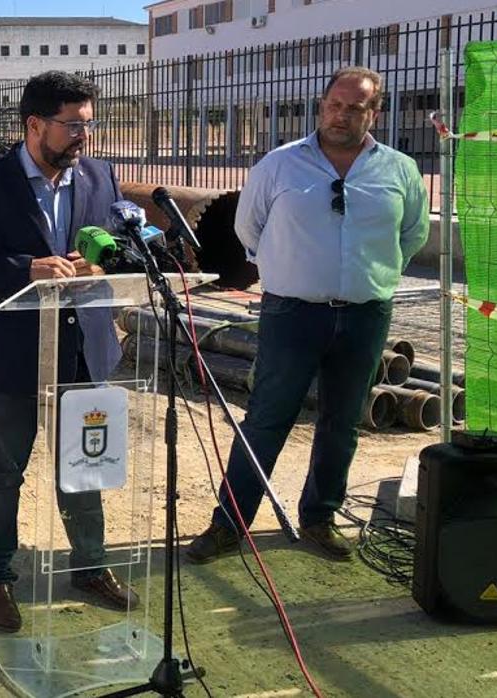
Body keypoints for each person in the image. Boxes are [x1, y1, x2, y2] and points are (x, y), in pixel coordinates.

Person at [187, 67, 429, 564]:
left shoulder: (399, 170)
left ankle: (319, 518)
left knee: (342, 423)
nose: (342, 115)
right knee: (267, 419)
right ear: (322, 106)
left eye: (355, 107)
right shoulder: (279, 165)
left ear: (374, 112)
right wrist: (289, 271)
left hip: (365, 316)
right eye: (335, 104)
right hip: (292, 314)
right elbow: (247, 228)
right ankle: (230, 524)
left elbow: (412, 235)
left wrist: (369, 277)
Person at [0, 71, 140, 633]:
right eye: (73, 126)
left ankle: (90, 566)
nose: (84, 137)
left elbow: (122, 245)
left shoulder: (100, 177)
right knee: (4, 472)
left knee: (85, 466)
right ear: (34, 125)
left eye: (89, 125)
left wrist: (102, 265)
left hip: (85, 350)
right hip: (12, 357)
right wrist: (24, 269)